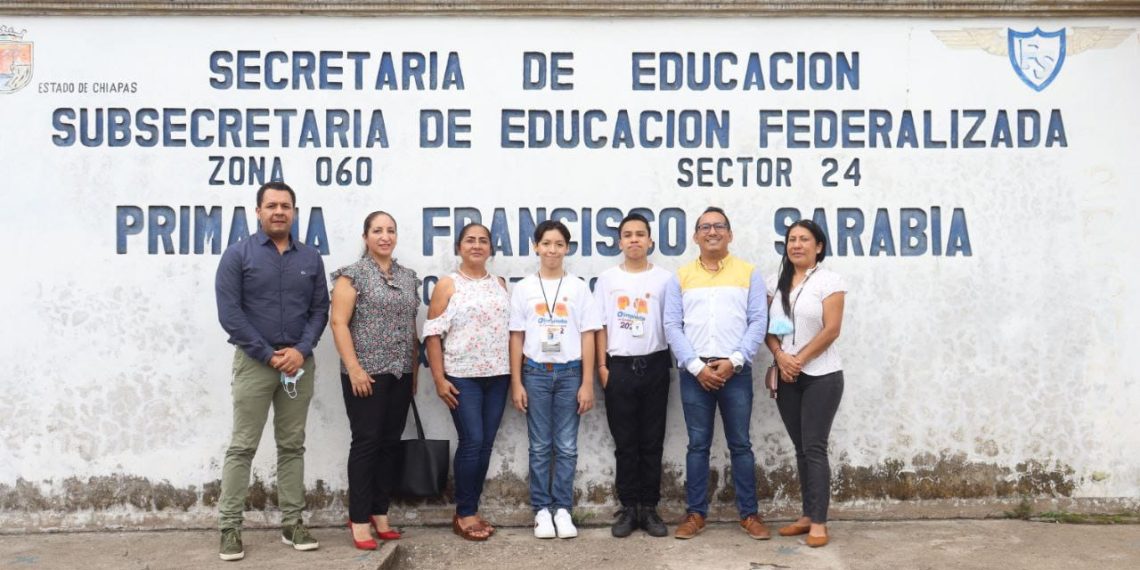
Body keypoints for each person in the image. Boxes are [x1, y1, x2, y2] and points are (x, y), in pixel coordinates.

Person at [214, 181, 329, 561]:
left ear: (294, 212)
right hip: (254, 363)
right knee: (243, 446)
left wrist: (301, 351)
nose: (279, 211)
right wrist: (267, 355)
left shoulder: (310, 257)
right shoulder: (237, 256)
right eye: (272, 205)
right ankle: (230, 528)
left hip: (298, 365)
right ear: (258, 211)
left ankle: (292, 523)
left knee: (292, 446)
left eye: (285, 206)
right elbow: (230, 314)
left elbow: (319, 310)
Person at [663, 206, 770, 541]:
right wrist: (696, 367)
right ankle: (695, 514)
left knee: (741, 444)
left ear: (730, 234)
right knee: (697, 445)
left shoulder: (749, 273)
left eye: (719, 226)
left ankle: (749, 515)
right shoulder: (681, 276)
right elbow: (672, 325)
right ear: (695, 236)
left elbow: (758, 321)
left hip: (735, 371)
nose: (712, 231)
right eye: (705, 227)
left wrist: (734, 361)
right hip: (695, 374)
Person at [329, 211, 421, 551]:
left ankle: (380, 513)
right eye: (378, 230)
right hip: (365, 374)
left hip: (400, 372)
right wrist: (353, 368)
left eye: (390, 230)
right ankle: (358, 519)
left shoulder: (408, 277)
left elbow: (411, 328)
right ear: (365, 236)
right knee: (366, 443)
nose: (385, 236)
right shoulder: (352, 276)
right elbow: (338, 323)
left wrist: (414, 372)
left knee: (389, 444)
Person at [509, 220, 602, 540]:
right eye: (546, 243)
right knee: (539, 446)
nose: (552, 249)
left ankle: (562, 508)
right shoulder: (524, 288)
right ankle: (541, 510)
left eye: (559, 244)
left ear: (567, 248)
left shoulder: (578, 287)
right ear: (536, 247)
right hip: (535, 373)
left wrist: (587, 382)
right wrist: (516, 382)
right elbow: (517, 337)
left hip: (570, 373)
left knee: (566, 446)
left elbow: (588, 335)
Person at [423, 223, 511, 541]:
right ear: (459, 247)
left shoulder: (499, 284)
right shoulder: (448, 284)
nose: (476, 245)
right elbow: (432, 334)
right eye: (470, 240)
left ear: (490, 248)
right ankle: (464, 513)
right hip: (462, 376)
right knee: (472, 441)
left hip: (498, 376)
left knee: (485, 444)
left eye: (483, 241)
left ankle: (471, 507)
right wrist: (439, 379)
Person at [764, 220, 847, 548]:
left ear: (819, 246)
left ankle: (820, 522)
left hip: (821, 376)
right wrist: (780, 356)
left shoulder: (830, 281)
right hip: (787, 376)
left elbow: (832, 329)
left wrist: (799, 359)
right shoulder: (775, 282)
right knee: (800, 448)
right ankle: (807, 515)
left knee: (814, 447)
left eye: (804, 239)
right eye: (792, 240)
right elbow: (769, 329)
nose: (796, 245)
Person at [593, 213, 673, 538]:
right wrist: (602, 367)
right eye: (628, 235)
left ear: (650, 241)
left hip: (655, 363)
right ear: (620, 242)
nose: (634, 239)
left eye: (640, 234)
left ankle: (649, 508)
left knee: (652, 441)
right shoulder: (607, 279)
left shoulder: (665, 279)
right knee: (625, 443)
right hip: (619, 367)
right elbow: (600, 325)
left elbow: (673, 323)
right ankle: (628, 508)